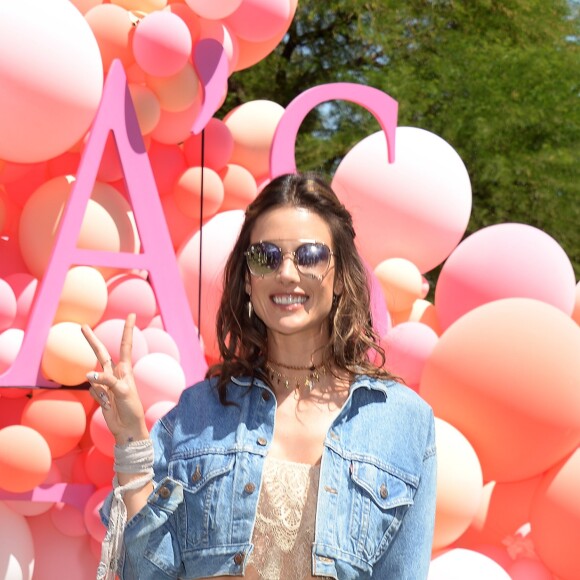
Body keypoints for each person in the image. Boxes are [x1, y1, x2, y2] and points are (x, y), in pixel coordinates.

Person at [83, 172, 437, 580]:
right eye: (265, 256)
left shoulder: (403, 421)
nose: (286, 273)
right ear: (249, 280)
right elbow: (145, 573)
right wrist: (130, 439)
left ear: (340, 277)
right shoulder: (199, 413)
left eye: (310, 256)